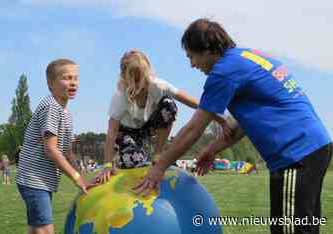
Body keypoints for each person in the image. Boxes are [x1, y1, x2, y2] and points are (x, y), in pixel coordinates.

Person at [133, 18, 332, 234]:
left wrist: (159, 166)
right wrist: (212, 150)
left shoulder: (224, 72)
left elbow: (194, 128)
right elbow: (244, 124)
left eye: (192, 56)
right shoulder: (246, 58)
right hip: (314, 147)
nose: (192, 65)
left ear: (207, 49)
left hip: (296, 153)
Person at [94, 49, 231, 184]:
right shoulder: (120, 95)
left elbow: (194, 103)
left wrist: (220, 120)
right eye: (134, 81)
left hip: (147, 126)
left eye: (141, 80)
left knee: (168, 105)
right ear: (124, 78)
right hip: (125, 133)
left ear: (147, 74)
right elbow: (112, 132)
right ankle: (126, 159)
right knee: (134, 162)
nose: (138, 86)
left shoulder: (157, 85)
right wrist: (107, 165)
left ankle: (158, 154)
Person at [15, 58, 94, 234]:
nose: (73, 83)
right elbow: (50, 150)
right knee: (45, 230)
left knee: (35, 229)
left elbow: (68, 152)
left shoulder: (66, 114)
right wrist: (75, 177)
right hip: (33, 179)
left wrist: (81, 178)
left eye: (76, 78)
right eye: (67, 78)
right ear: (51, 83)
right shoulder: (51, 106)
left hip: (42, 181)